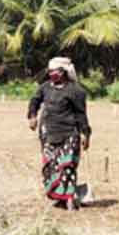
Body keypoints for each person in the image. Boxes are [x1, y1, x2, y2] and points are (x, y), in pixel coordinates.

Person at [27, 57, 92, 211]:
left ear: (62, 72)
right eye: (49, 71)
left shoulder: (76, 91)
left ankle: (69, 199)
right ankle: (59, 197)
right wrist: (32, 116)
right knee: (50, 167)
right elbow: (34, 101)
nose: (50, 74)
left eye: (53, 71)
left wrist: (85, 134)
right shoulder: (45, 88)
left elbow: (81, 115)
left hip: (69, 133)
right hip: (48, 133)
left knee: (67, 166)